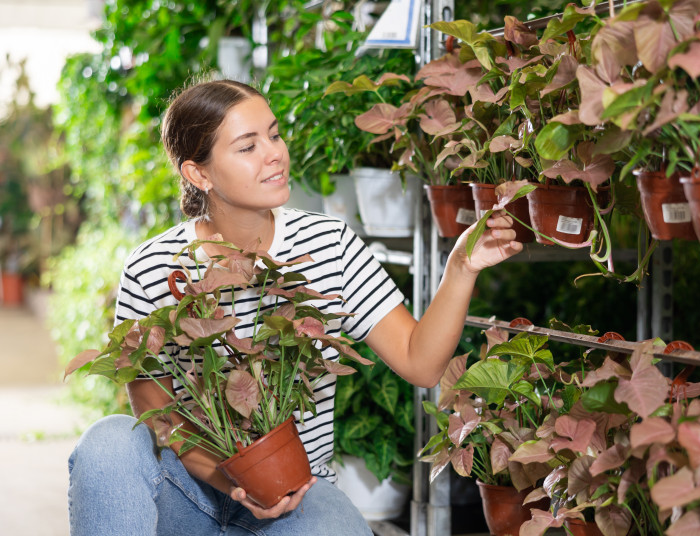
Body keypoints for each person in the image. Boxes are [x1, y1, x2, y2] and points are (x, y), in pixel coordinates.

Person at [67, 79, 522, 535]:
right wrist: (231, 480)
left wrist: (461, 267)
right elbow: (160, 417)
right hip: (189, 496)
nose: (274, 153)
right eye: (248, 146)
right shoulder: (153, 267)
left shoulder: (329, 245)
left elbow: (420, 361)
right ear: (198, 174)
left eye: (274, 134)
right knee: (107, 442)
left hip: (297, 499)